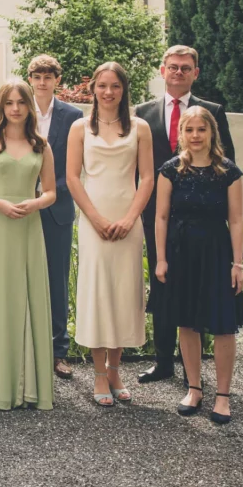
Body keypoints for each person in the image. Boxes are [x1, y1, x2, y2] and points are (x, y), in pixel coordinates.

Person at [136, 45, 236, 386]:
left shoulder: (212, 111)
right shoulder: (142, 113)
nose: (178, 72)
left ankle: (195, 369)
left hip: (203, 222)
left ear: (196, 72)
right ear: (162, 71)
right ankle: (163, 361)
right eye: (173, 67)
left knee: (203, 290)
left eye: (186, 67)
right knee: (164, 286)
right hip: (158, 217)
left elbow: (227, 164)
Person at [0, 79, 56, 410]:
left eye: (21, 102)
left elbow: (51, 192)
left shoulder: (41, 145)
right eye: (9, 103)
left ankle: (28, 386)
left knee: (26, 296)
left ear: (29, 106)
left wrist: (34, 204)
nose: (15, 108)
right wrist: (0, 204)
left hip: (28, 226)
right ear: (1, 107)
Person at [67, 62, 154, 406]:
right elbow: (73, 178)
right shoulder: (79, 128)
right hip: (93, 221)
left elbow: (147, 178)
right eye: (102, 85)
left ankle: (116, 369)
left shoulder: (140, 128)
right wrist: (96, 219)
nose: (108, 92)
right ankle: (99, 374)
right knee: (98, 293)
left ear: (123, 89)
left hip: (128, 221)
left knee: (122, 293)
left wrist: (131, 218)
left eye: (115, 86)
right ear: (94, 90)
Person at [154, 107, 243, 424]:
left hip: (218, 253)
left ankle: (223, 396)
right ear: (182, 134)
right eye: (189, 130)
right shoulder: (170, 170)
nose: (195, 136)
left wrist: (238, 264)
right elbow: (161, 216)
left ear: (212, 133)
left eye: (201, 130)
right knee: (187, 323)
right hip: (181, 253)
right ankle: (194, 388)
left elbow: (235, 220)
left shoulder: (228, 172)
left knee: (223, 324)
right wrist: (161, 259)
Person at [27, 55, 82, 380]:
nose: (43, 81)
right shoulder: (18, 109)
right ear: (30, 78)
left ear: (57, 80)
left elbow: (74, 166)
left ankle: (58, 352)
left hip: (58, 207)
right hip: (21, 205)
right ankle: (27, 348)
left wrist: (48, 191)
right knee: (23, 275)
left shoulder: (73, 116)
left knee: (56, 281)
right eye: (38, 75)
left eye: (49, 76)